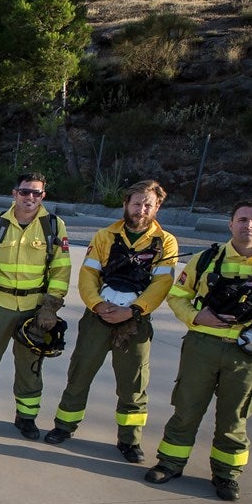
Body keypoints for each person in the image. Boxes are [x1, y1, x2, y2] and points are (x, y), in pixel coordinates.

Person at [145, 199, 252, 500]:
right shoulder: (206, 260)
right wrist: (198, 317)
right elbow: (177, 296)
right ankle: (170, 463)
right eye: (242, 219)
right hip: (202, 346)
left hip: (249, 355)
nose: (248, 225)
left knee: (234, 416)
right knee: (186, 408)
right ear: (230, 223)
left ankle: (227, 475)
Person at [42, 181, 181, 462]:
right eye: (137, 203)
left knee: (133, 382)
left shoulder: (165, 242)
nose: (141, 210)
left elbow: (162, 283)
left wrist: (134, 310)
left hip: (135, 322)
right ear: (126, 204)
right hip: (98, 317)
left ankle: (129, 440)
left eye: (148, 205)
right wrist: (97, 304)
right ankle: (64, 426)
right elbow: (88, 275)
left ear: (157, 207)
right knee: (80, 372)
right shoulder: (105, 236)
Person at [0, 172, 71, 438]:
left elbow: (61, 271)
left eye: (36, 193)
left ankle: (26, 418)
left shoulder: (55, 226)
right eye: (25, 192)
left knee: (30, 365)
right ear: (14, 194)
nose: (30, 198)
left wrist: (50, 308)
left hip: (35, 310)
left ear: (43, 196)